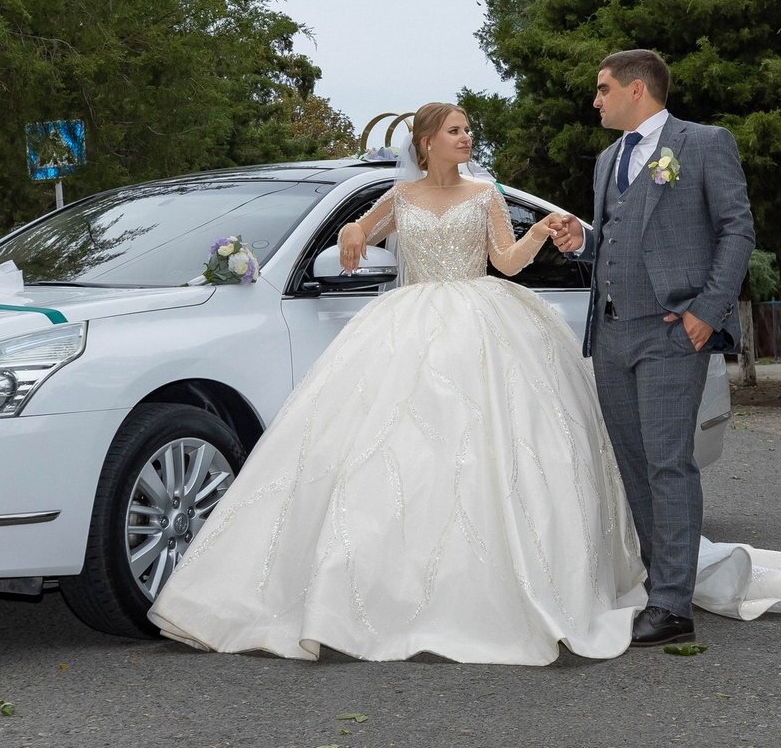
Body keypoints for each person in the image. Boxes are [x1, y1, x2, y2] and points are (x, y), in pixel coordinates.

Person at [148, 102, 646, 664]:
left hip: (482, 323)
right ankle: (373, 588)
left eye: (467, 130)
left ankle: (481, 588)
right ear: (427, 141)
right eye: (455, 130)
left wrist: (543, 235)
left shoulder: (486, 195)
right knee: (388, 449)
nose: (466, 137)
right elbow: (357, 232)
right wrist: (351, 230)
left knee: (482, 450)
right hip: (405, 324)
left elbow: (505, 262)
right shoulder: (400, 197)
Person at [549, 49, 755, 647]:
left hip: (671, 333)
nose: (596, 100)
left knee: (669, 462)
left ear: (637, 90)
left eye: (603, 89)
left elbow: (737, 230)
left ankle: (673, 605)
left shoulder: (704, 143)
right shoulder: (608, 159)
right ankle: (659, 579)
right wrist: (579, 240)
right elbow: (616, 236)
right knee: (633, 461)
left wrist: (704, 313)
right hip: (611, 332)